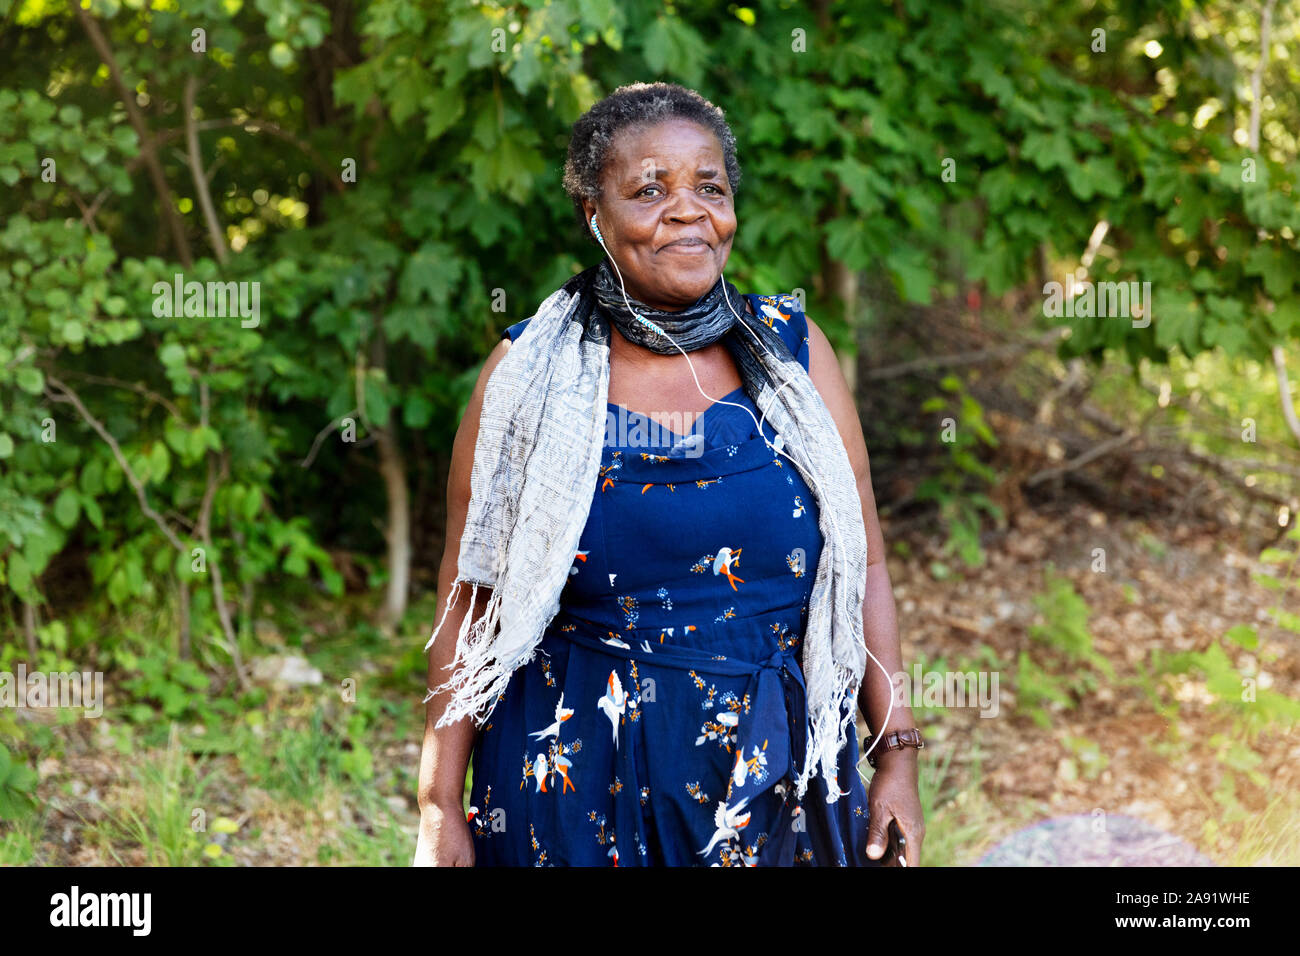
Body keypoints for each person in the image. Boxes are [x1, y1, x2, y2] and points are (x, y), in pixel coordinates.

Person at [414, 82, 923, 866]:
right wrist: (438, 802)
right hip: (574, 781)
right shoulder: (528, 377)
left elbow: (867, 565)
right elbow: (472, 591)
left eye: (708, 187)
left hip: (774, 774)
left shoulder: (793, 356)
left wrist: (897, 757)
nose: (687, 211)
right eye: (649, 190)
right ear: (595, 214)